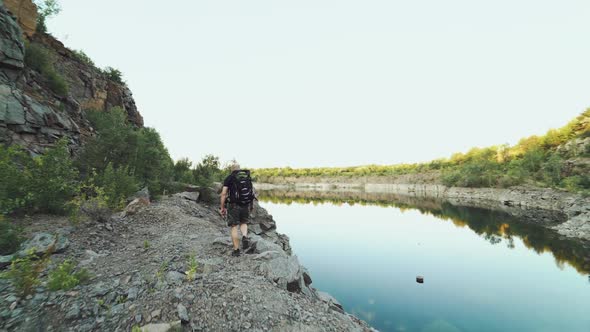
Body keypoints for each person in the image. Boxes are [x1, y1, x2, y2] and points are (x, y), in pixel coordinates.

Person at [220, 163, 256, 257]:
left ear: (231, 170)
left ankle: (236, 250)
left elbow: (224, 193)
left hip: (233, 205)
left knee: (234, 226)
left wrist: (222, 207)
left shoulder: (230, 177)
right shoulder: (246, 176)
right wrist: (251, 205)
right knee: (244, 222)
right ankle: (244, 236)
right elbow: (252, 191)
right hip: (245, 203)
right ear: (239, 169)